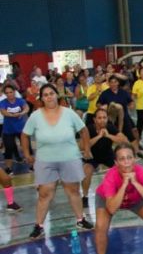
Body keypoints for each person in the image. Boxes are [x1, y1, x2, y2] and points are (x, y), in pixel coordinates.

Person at [21, 83, 94, 239]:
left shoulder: (69, 113)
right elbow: (25, 135)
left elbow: (83, 130)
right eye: (45, 94)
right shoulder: (35, 116)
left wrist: (87, 149)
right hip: (45, 161)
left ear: (57, 95)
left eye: (51, 93)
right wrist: (27, 153)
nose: (49, 97)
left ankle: (81, 219)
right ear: (42, 98)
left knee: (73, 190)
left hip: (70, 158)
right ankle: (39, 226)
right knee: (44, 193)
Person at [81, 108, 129, 208]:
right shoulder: (89, 129)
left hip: (107, 154)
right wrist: (98, 137)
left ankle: (123, 194)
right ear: (94, 119)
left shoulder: (110, 127)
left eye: (104, 118)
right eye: (99, 118)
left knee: (122, 169)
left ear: (107, 119)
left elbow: (124, 141)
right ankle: (85, 197)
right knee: (86, 171)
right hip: (92, 156)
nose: (102, 120)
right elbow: (82, 145)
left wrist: (109, 136)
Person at [0, 84, 29, 175]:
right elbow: (3, 111)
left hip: (21, 129)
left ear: (14, 92)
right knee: (8, 149)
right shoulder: (3, 102)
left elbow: (26, 108)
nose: (9, 94)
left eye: (11, 92)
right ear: (5, 94)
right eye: (7, 93)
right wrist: (13, 115)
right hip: (8, 130)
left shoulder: (20, 100)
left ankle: (32, 165)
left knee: (26, 147)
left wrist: (21, 113)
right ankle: (9, 168)